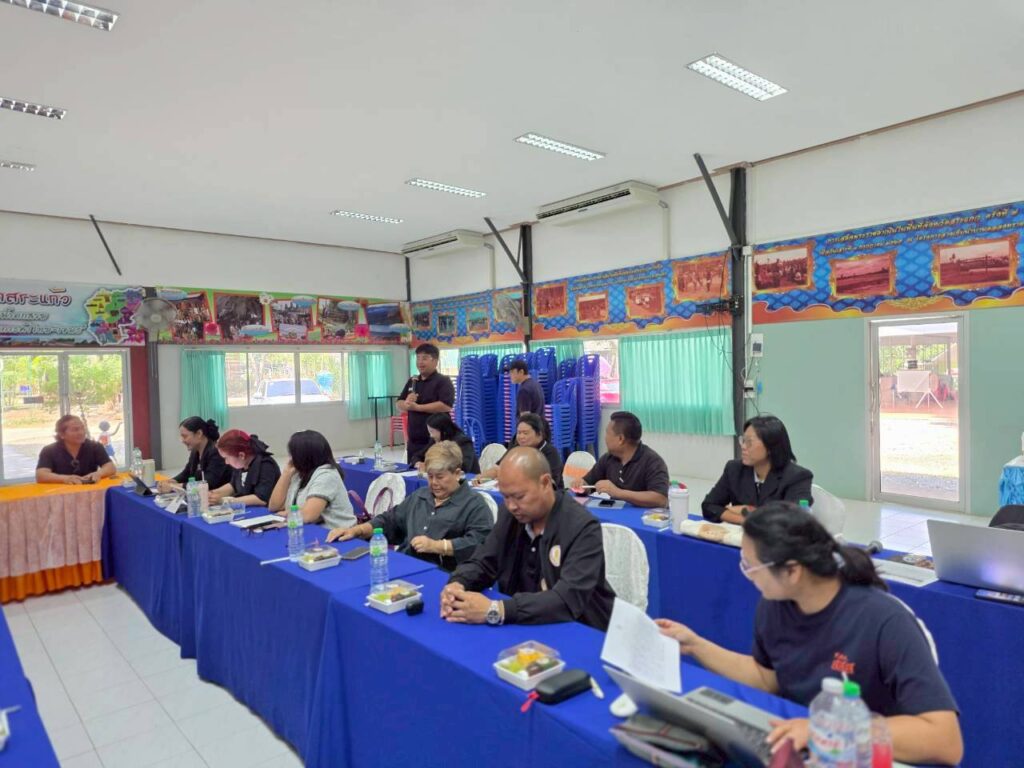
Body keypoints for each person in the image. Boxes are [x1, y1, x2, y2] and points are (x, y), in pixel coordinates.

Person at [656, 502, 963, 766]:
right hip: (803, 746)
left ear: (792, 571)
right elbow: (767, 678)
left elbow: (945, 740)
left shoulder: (885, 621)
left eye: (750, 566)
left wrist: (825, 730)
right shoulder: (774, 605)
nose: (747, 575)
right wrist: (695, 644)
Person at [441, 447, 616, 630]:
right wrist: (458, 583)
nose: (511, 506)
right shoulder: (510, 515)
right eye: (505, 497)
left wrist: (497, 609)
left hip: (580, 629)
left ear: (545, 483)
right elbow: (485, 561)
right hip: (526, 621)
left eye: (519, 497)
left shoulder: (582, 527)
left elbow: (567, 599)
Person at [327, 441, 493, 571]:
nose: (434, 483)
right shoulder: (420, 496)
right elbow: (389, 520)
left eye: (440, 477)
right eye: (430, 476)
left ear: (457, 474)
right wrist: (356, 530)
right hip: (406, 565)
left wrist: (438, 546)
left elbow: (480, 543)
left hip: (444, 574)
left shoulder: (474, 504)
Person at [702, 415, 813, 525]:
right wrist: (744, 520)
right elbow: (709, 506)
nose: (743, 446)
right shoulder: (734, 469)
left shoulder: (797, 477)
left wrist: (745, 511)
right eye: (743, 440)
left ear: (770, 447)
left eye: (749, 442)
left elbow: (793, 520)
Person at [573, 411, 669, 508]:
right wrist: (582, 486)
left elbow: (660, 499)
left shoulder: (653, 461)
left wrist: (618, 493)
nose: (605, 438)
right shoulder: (608, 458)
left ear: (620, 439)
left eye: (607, 433)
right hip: (615, 514)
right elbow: (588, 483)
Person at [268, 430, 355, 529]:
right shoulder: (298, 473)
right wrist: (286, 473)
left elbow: (308, 515)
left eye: (293, 454)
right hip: (307, 529)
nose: (290, 458)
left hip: (336, 533)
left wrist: (286, 513)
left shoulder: (327, 475)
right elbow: (274, 506)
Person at [397, 344, 455, 466]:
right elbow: (399, 403)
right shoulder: (413, 381)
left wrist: (418, 407)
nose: (420, 362)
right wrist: (407, 404)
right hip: (414, 440)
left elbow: (446, 405)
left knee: (435, 472)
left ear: (435, 361)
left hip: (436, 440)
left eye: (424, 358)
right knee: (413, 472)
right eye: (418, 358)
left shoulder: (443, 381)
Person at [472, 413, 564, 489]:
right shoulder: (516, 447)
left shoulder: (550, 453)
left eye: (525, 433)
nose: (521, 437)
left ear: (539, 434)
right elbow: (498, 468)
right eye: (519, 433)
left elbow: (549, 484)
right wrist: (482, 478)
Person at [209, 429, 281, 507]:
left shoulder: (266, 465)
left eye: (227, 458)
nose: (226, 462)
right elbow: (233, 485)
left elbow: (261, 498)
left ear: (241, 455)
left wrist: (226, 501)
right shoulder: (241, 464)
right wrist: (213, 494)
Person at [35, 415, 116, 485]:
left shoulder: (95, 446)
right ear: (62, 434)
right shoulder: (49, 450)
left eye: (82, 428)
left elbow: (110, 467)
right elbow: (41, 475)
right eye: (75, 430)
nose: (81, 432)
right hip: (59, 492)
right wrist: (65, 479)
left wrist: (98, 474)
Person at [158, 417, 231, 493]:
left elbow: (209, 482)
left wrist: (175, 486)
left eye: (185, 436)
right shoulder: (195, 451)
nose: (182, 440)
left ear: (199, 434)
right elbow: (186, 473)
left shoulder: (216, 452)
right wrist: (171, 481)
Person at [414, 413, 480, 474]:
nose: (431, 435)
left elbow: (464, 467)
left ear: (443, 430)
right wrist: (418, 463)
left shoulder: (463, 441)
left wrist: (431, 466)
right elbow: (418, 456)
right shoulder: (435, 439)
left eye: (432, 432)